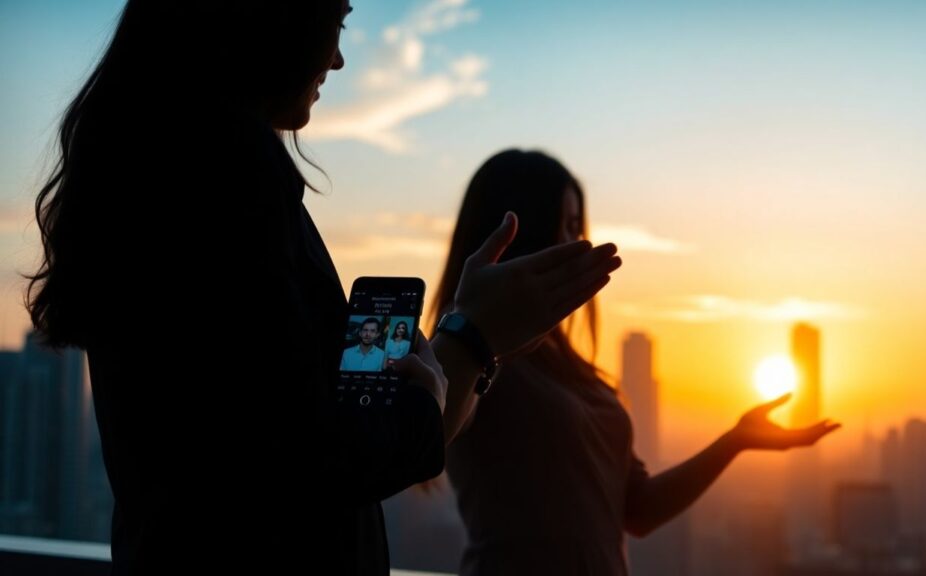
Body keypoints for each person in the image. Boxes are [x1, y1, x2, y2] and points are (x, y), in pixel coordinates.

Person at [24, 2, 621, 573]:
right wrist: (471, 335)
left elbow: (272, 436)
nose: (337, 60)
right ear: (275, 17)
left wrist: (469, 346)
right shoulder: (231, 182)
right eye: (338, 20)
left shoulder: (157, 169)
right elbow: (312, 457)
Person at [436, 149, 841, 576]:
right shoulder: (467, 350)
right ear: (523, 233)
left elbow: (639, 511)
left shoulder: (571, 369)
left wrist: (735, 440)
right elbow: (428, 426)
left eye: (578, 226)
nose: (576, 243)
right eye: (566, 225)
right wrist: (474, 334)